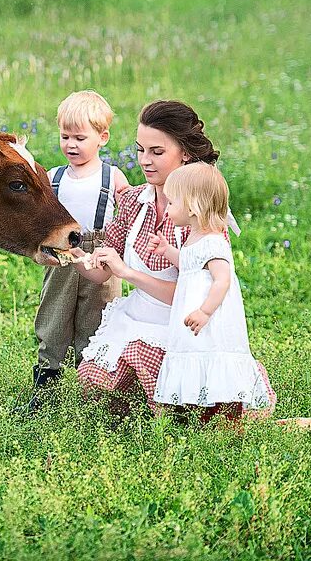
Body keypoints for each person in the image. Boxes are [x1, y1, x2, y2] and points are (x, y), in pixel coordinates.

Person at [72, 100, 225, 412]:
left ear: (185, 153)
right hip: (136, 318)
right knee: (93, 388)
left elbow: (190, 295)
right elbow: (101, 272)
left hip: (183, 326)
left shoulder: (200, 214)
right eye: (140, 150)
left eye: (157, 152)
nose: (144, 161)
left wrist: (128, 273)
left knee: (183, 409)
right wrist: (73, 256)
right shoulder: (133, 201)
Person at [20, 91, 129, 412]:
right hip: (62, 255)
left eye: (80, 138)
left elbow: (127, 216)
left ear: (102, 138)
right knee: (54, 315)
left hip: (101, 255)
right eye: (65, 136)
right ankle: (46, 386)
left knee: (97, 319)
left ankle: (93, 387)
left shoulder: (113, 177)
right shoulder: (52, 178)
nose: (71, 144)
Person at [149, 163, 274, 424]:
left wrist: (205, 311)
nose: (167, 208)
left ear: (192, 207)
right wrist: (168, 250)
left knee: (214, 363)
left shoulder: (214, 242)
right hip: (194, 324)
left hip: (211, 323)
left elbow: (222, 280)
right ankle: (201, 416)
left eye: (172, 202)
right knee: (197, 361)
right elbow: (189, 265)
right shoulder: (194, 239)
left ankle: (226, 421)